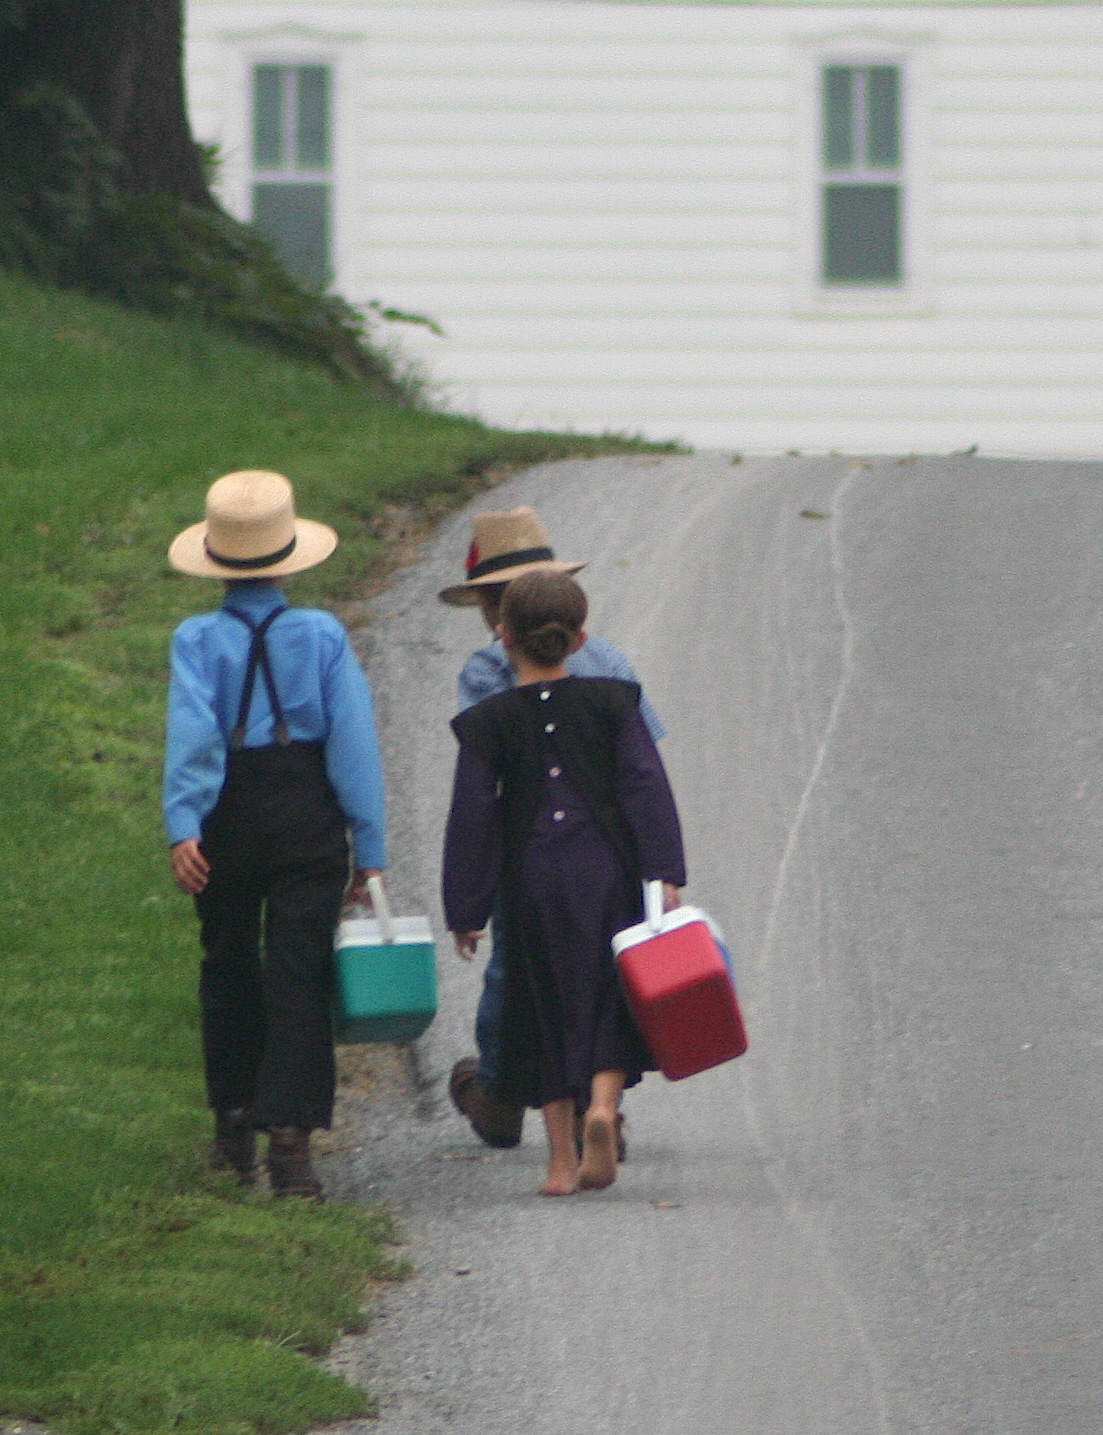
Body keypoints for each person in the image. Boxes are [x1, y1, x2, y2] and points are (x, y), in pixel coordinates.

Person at [163, 470, 386, 1199]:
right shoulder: (320, 634)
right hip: (305, 811)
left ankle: (232, 1123)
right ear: (289, 559)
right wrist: (369, 846)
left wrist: (182, 824)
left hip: (228, 810)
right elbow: (352, 745)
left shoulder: (195, 638)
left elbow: (193, 737)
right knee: (300, 970)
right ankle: (291, 1145)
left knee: (226, 959)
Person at [442, 570, 686, 1196]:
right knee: (608, 992)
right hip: (606, 871)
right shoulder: (612, 702)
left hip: (530, 879)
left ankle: (558, 1162)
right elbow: (644, 787)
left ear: (503, 638)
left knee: (537, 1002)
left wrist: (466, 905)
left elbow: (472, 813)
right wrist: (664, 874)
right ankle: (602, 1110)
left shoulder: (490, 720)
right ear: (579, 641)